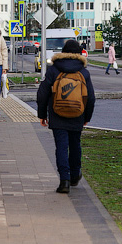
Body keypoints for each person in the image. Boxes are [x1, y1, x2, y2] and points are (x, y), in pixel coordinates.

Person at [36, 39, 96, 194]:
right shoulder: (83, 72)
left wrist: (42, 114)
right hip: (78, 114)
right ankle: (75, 175)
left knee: (61, 147)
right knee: (75, 145)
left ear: (63, 52)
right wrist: (87, 117)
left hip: (57, 114)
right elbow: (90, 98)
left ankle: (64, 181)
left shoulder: (54, 70)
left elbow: (42, 93)